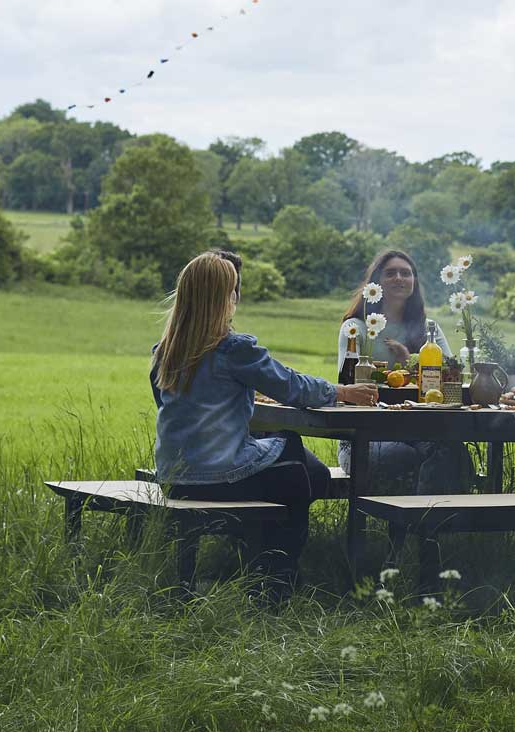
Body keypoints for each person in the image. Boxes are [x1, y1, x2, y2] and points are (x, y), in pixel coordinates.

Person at [152, 251, 377, 597]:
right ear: (223, 299)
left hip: (173, 478)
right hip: (216, 478)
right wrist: (343, 391)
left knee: (298, 469)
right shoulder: (232, 350)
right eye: (232, 291)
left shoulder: (165, 351)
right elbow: (290, 385)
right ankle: (277, 582)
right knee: (294, 463)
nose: (236, 298)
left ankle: (259, 563)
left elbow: (173, 405)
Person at [335, 249, 473, 492]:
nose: (399, 278)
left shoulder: (428, 329)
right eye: (391, 273)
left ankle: (438, 523)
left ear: (414, 282)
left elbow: (451, 374)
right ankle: (417, 524)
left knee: (454, 452)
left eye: (406, 273)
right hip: (364, 435)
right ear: (376, 282)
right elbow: (349, 383)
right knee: (408, 458)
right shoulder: (356, 328)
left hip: (419, 430)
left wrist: (409, 360)